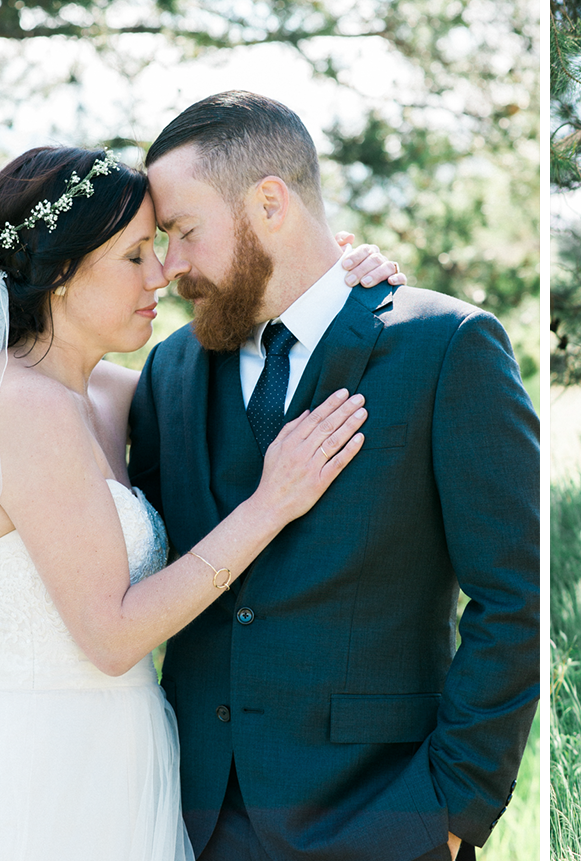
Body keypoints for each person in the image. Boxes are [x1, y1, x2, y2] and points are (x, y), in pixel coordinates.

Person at [0, 146, 402, 860]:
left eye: (160, 248)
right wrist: (271, 504)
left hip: (127, 753)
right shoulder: (19, 406)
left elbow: (252, 389)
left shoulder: (116, 393)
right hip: (40, 772)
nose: (163, 274)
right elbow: (109, 638)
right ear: (63, 276)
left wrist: (326, 275)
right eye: (135, 255)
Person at [129, 91, 539, 861]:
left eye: (184, 232)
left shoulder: (446, 346)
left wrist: (451, 809)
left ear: (270, 203)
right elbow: (128, 570)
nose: (171, 264)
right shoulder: (168, 372)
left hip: (386, 815)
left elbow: (519, 596)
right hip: (193, 823)